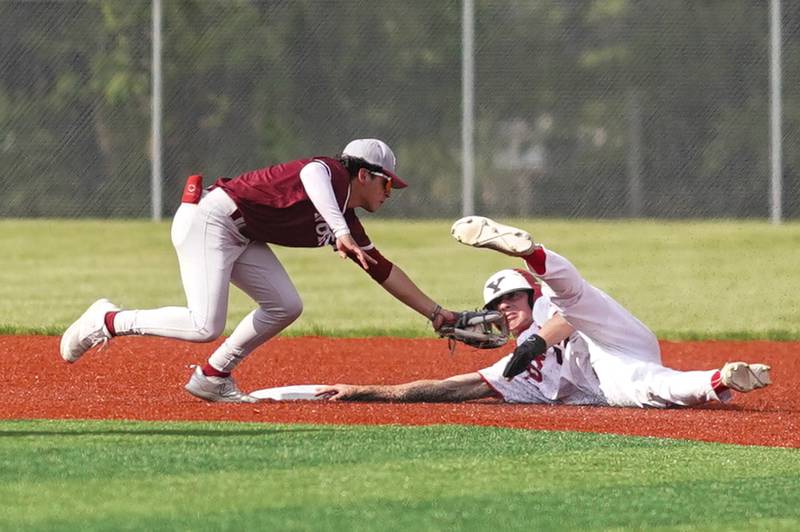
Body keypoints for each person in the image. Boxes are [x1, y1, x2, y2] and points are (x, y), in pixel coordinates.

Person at [60, 139, 456, 403]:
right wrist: (338, 230)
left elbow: (383, 270)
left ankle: (213, 376)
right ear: (365, 175)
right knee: (204, 325)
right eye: (388, 185)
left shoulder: (347, 220)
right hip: (211, 220)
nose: (390, 194)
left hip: (241, 234)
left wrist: (437, 314)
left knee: (285, 304)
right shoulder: (331, 173)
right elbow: (311, 173)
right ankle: (107, 320)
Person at [318, 216, 771, 406]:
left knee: (575, 295)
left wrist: (533, 341)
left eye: (512, 298)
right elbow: (456, 387)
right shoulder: (515, 367)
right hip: (610, 374)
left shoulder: (545, 309)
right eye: (497, 305)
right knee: (644, 387)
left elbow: (564, 318)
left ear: (528, 296)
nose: (505, 308)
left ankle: (532, 254)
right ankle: (723, 378)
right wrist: (369, 392)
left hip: (611, 333)